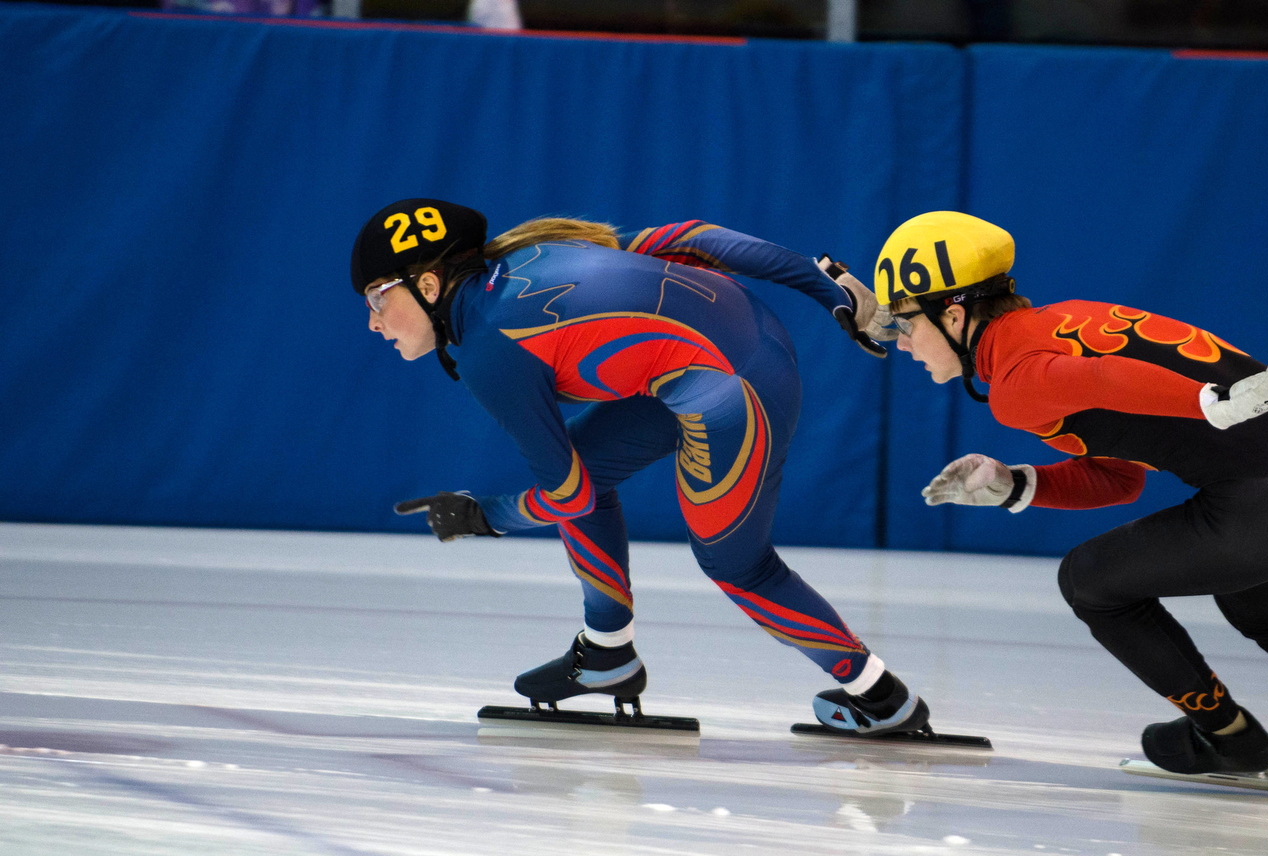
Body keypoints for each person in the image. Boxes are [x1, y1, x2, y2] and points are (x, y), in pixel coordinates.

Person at [872, 210, 1268, 783]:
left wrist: (1207, 402)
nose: (903, 345)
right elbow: (1122, 479)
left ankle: (1227, 738)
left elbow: (1096, 379)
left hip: (1266, 498)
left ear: (953, 313)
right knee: (1261, 605)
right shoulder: (1059, 320)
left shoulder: (1017, 383)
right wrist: (1016, 484)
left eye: (905, 326)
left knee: (1088, 581)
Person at [350, 198, 925, 736]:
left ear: (427, 284)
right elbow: (696, 239)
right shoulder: (530, 251)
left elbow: (567, 498)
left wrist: (485, 518)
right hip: (738, 346)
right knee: (586, 468)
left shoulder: (488, 348)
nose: (373, 323)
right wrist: (827, 290)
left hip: (737, 389)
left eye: (376, 298)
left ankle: (881, 697)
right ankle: (607, 653)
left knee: (739, 566)